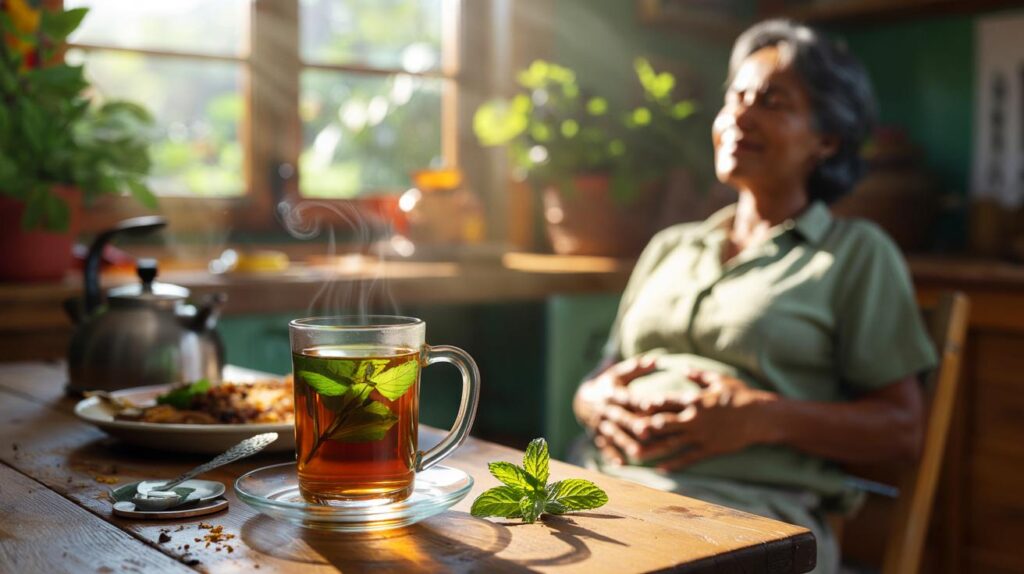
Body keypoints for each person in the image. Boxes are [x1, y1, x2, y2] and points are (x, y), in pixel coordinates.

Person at [572, 19, 937, 573]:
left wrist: (764, 418)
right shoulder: (673, 246)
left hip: (747, 519)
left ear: (826, 139)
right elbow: (607, 371)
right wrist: (589, 400)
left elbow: (904, 431)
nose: (740, 115)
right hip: (602, 491)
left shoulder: (854, 253)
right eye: (735, 97)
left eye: (771, 101)